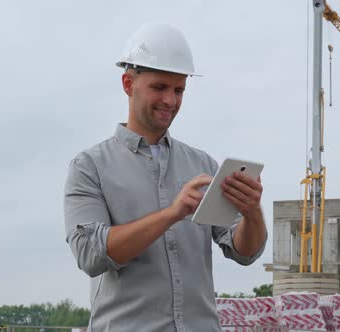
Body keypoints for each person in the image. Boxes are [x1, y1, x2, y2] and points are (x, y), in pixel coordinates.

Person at [63, 23, 267, 331]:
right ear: (128, 84)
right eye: (159, 87)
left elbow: (245, 252)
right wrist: (172, 214)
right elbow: (91, 254)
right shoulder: (89, 167)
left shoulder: (203, 165)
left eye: (179, 90)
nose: (170, 101)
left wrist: (252, 214)